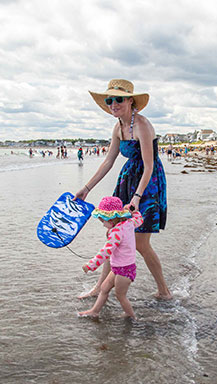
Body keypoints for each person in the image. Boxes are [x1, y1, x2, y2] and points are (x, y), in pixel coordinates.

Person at [74, 79, 171, 300]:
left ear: (129, 101)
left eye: (118, 99)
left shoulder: (142, 126)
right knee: (113, 236)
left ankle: (164, 290)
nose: (113, 104)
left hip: (148, 184)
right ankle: (99, 288)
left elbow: (150, 166)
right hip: (127, 181)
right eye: (110, 100)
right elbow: (108, 161)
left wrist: (137, 197)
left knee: (141, 244)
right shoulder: (117, 127)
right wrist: (86, 188)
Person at [79, 196, 143, 319]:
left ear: (112, 219)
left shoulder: (116, 233)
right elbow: (139, 219)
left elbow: (105, 252)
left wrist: (90, 265)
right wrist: (133, 210)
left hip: (124, 270)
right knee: (104, 288)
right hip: (119, 268)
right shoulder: (129, 223)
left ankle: (131, 316)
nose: (103, 224)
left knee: (120, 295)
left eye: (103, 221)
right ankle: (95, 311)